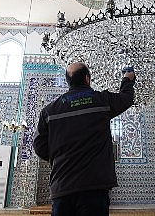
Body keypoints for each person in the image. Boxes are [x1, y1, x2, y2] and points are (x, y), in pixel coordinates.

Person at [33, 62, 135, 216]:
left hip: (62, 188)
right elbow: (126, 98)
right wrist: (127, 79)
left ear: (68, 81)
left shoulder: (49, 111)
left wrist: (60, 157)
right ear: (87, 79)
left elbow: (39, 146)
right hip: (93, 189)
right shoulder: (101, 101)